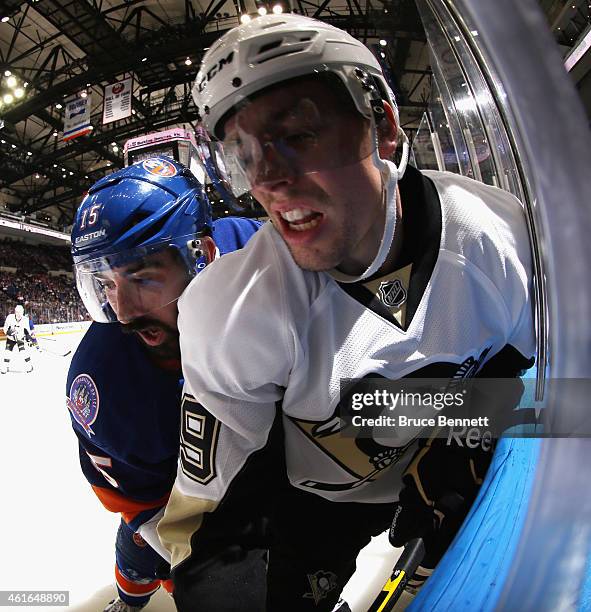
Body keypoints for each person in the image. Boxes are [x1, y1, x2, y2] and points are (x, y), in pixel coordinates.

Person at [158, 14, 536, 612]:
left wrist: (462, 440)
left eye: (300, 134)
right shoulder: (232, 313)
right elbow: (212, 522)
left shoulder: (499, 239)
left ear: (382, 126)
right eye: (243, 155)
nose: (269, 179)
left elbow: (542, 390)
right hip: (311, 508)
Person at [67, 157, 262, 612]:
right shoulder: (105, 384)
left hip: (260, 456)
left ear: (204, 256)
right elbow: (142, 502)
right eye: (105, 285)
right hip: (173, 489)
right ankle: (130, 599)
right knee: (140, 554)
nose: (125, 311)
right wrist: (196, 572)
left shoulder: (251, 250)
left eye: (142, 277)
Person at [1, 303, 34, 373]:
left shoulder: (25, 319)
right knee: (7, 352)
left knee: (23, 352)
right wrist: (8, 332)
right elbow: (5, 328)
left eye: (20, 312)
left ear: (23, 312)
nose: (19, 314)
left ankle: (29, 366)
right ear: (15, 312)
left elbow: (27, 331)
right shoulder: (10, 317)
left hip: (20, 338)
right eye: (17, 312)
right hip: (11, 339)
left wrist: (28, 337)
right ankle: (5, 367)